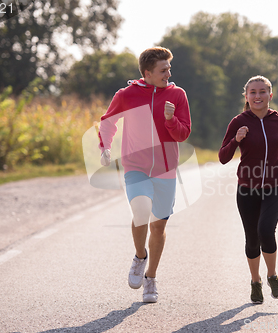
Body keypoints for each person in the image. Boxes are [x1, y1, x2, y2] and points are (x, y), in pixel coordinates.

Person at [97, 47, 191, 303]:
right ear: (147, 73)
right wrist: (105, 146)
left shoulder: (177, 95)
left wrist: (170, 119)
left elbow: (183, 134)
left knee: (158, 225)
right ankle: (140, 256)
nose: (168, 74)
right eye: (163, 70)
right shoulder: (127, 95)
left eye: (169, 68)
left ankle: (151, 278)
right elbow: (108, 122)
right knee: (140, 212)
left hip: (165, 170)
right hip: (135, 166)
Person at [219, 75, 278, 304]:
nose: (257, 96)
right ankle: (256, 281)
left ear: (270, 95)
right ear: (246, 96)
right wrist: (236, 139)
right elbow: (223, 157)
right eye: (252, 92)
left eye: (262, 91)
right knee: (252, 238)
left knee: (265, 229)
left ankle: (272, 276)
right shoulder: (238, 122)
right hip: (247, 189)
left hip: (277, 185)